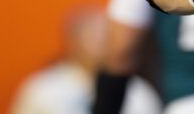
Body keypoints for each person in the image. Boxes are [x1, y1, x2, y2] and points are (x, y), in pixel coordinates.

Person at [11, 8, 158, 114]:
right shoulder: (43, 90)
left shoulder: (138, 92)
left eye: (108, 35)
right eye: (94, 34)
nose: (103, 42)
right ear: (72, 41)